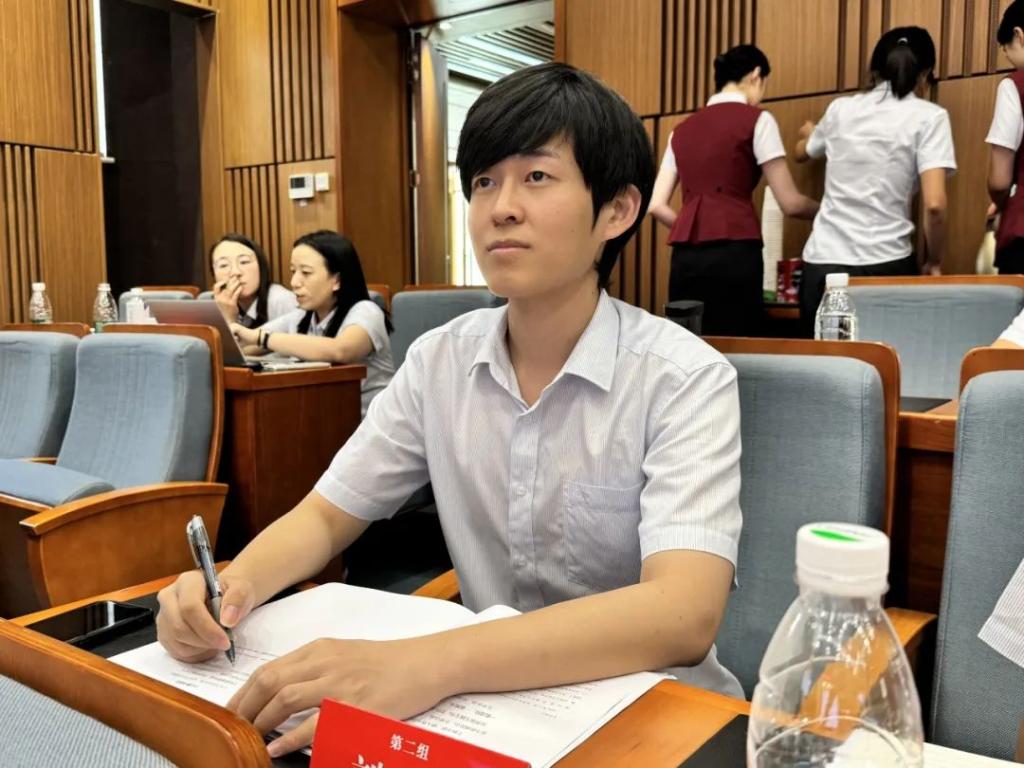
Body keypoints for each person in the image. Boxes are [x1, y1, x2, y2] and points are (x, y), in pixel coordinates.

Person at [156, 63, 744, 758]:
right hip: (488, 714)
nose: (500, 208)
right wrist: (230, 587)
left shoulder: (685, 378)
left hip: (657, 718)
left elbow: (683, 614)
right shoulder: (439, 360)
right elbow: (327, 516)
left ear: (617, 210)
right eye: (484, 182)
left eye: (537, 177)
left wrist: (433, 663)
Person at [794, 27, 956, 333]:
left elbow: (802, 151)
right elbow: (934, 205)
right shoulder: (929, 117)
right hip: (886, 264)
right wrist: (934, 261)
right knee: (887, 359)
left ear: (874, 71)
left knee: (822, 360)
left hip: (823, 264)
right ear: (925, 74)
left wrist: (809, 133)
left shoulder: (840, 109)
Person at [649, 44, 818, 335]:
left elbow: (655, 205)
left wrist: (693, 227)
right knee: (738, 342)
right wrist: (828, 210)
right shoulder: (758, 120)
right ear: (756, 75)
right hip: (736, 252)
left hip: (686, 258)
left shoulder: (681, 130)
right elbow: (790, 202)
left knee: (688, 342)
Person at [231, 230, 394, 416]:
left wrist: (261, 338)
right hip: (324, 418)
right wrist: (231, 318)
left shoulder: (366, 311)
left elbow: (341, 350)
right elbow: (244, 347)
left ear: (337, 280)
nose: (294, 282)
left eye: (306, 273)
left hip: (371, 423)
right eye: (293, 271)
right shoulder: (301, 316)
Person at [987, 0, 1024, 274]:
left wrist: (1000, 205)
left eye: (1007, 48)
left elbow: (999, 181)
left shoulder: (1014, 86)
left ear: (1019, 35)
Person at [209, 234, 297, 327]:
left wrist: (229, 321)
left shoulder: (282, 300)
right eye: (223, 265)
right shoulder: (218, 304)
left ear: (261, 266)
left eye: (244, 262)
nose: (235, 272)